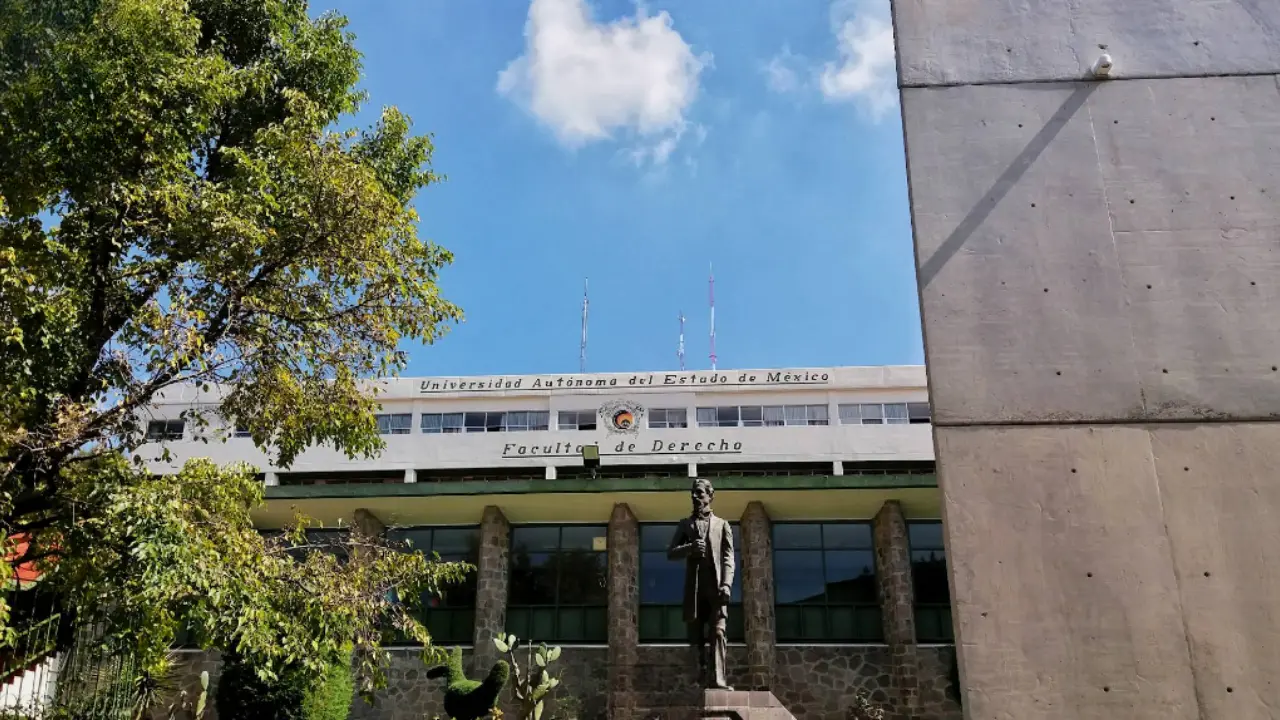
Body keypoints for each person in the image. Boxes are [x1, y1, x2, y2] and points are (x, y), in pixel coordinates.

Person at [667, 478, 735, 690]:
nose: (695, 497)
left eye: (699, 493)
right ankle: (698, 680)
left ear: (709, 495)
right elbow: (671, 553)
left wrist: (727, 585)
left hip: (716, 588)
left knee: (718, 632)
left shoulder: (722, 525)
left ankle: (719, 680)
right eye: (693, 494)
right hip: (695, 589)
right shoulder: (685, 524)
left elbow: (728, 558)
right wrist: (689, 548)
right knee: (696, 639)